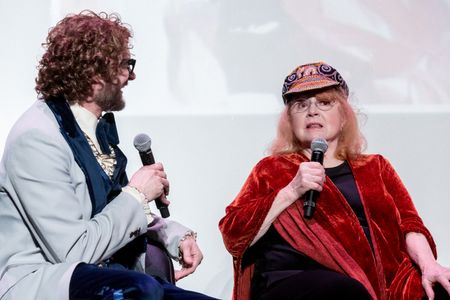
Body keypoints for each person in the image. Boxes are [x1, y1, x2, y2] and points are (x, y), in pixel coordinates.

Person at [0, 11, 217, 300]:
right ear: (94, 73)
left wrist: (174, 235)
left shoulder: (92, 131)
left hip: (108, 272)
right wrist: (138, 192)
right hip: (44, 279)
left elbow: (111, 211)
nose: (132, 75)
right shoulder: (37, 138)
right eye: (126, 65)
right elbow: (74, 250)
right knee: (141, 289)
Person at [219, 62, 450, 300]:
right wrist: (291, 191)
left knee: (440, 289)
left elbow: (409, 224)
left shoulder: (376, 167)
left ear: (343, 117)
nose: (312, 111)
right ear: (290, 121)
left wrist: (429, 266)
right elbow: (234, 235)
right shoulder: (271, 169)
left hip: (378, 281)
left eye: (325, 102)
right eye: (301, 105)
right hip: (293, 280)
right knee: (344, 290)